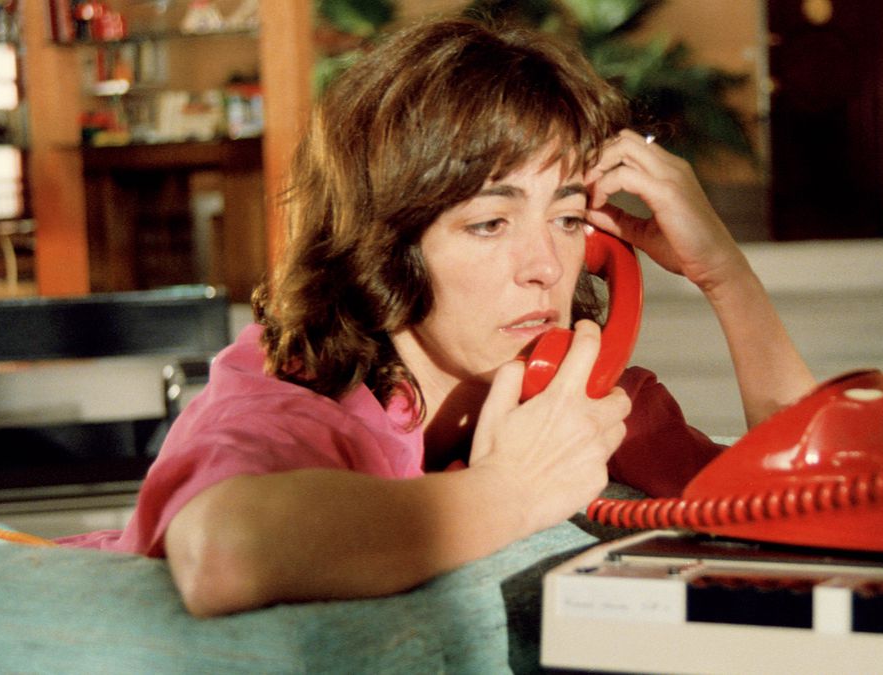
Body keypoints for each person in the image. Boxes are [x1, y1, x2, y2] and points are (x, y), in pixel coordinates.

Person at [59, 17, 815, 617]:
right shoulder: (295, 388)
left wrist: (726, 275)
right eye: (490, 223)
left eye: (567, 218)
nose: (546, 267)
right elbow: (223, 548)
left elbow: (819, 503)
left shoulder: (570, 396)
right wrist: (514, 490)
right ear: (388, 244)